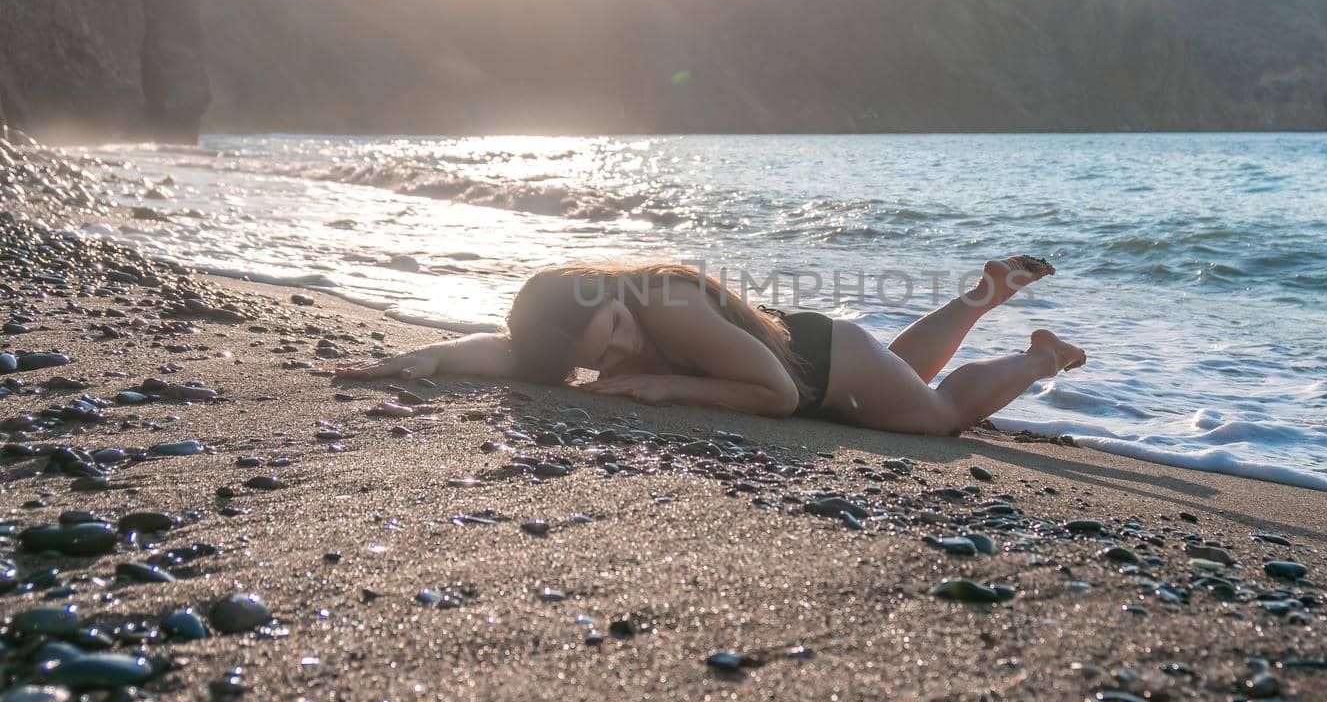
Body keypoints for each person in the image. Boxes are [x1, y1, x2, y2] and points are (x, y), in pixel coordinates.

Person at [333, 255, 1085, 436]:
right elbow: (514, 351)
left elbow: (782, 398)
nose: (620, 354)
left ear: (612, 297)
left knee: (939, 413)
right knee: (906, 370)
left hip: (819, 367)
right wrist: (430, 357)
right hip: (830, 350)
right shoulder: (585, 323)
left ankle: (1040, 355)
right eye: (603, 353)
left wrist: (663, 388)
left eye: (620, 335)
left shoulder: (663, 304)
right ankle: (986, 292)